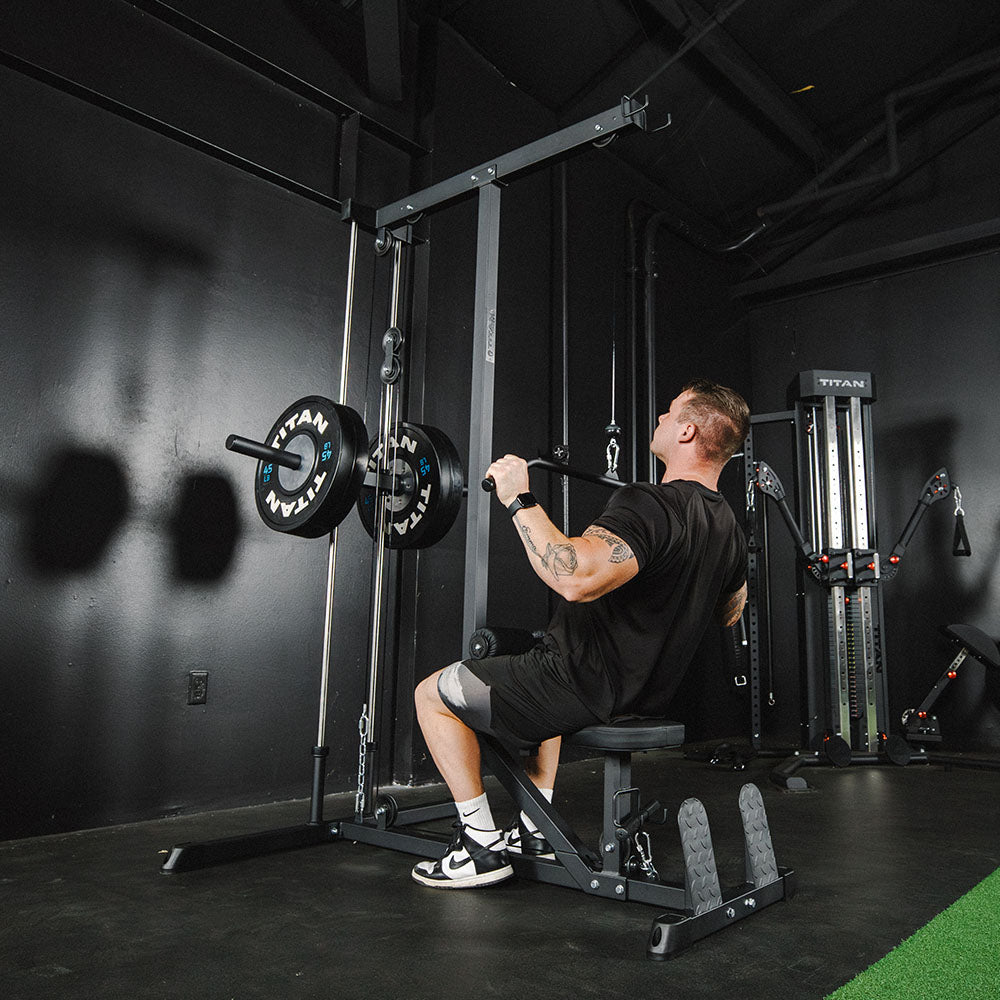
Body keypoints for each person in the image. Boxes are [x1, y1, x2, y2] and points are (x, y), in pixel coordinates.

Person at [411, 379, 750, 888]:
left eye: (669, 413)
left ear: (687, 431)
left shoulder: (651, 503)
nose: (658, 418)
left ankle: (479, 844)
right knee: (541, 657)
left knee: (432, 695)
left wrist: (517, 497)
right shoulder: (729, 528)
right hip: (647, 694)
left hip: (582, 684)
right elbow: (729, 612)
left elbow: (573, 576)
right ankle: (533, 832)